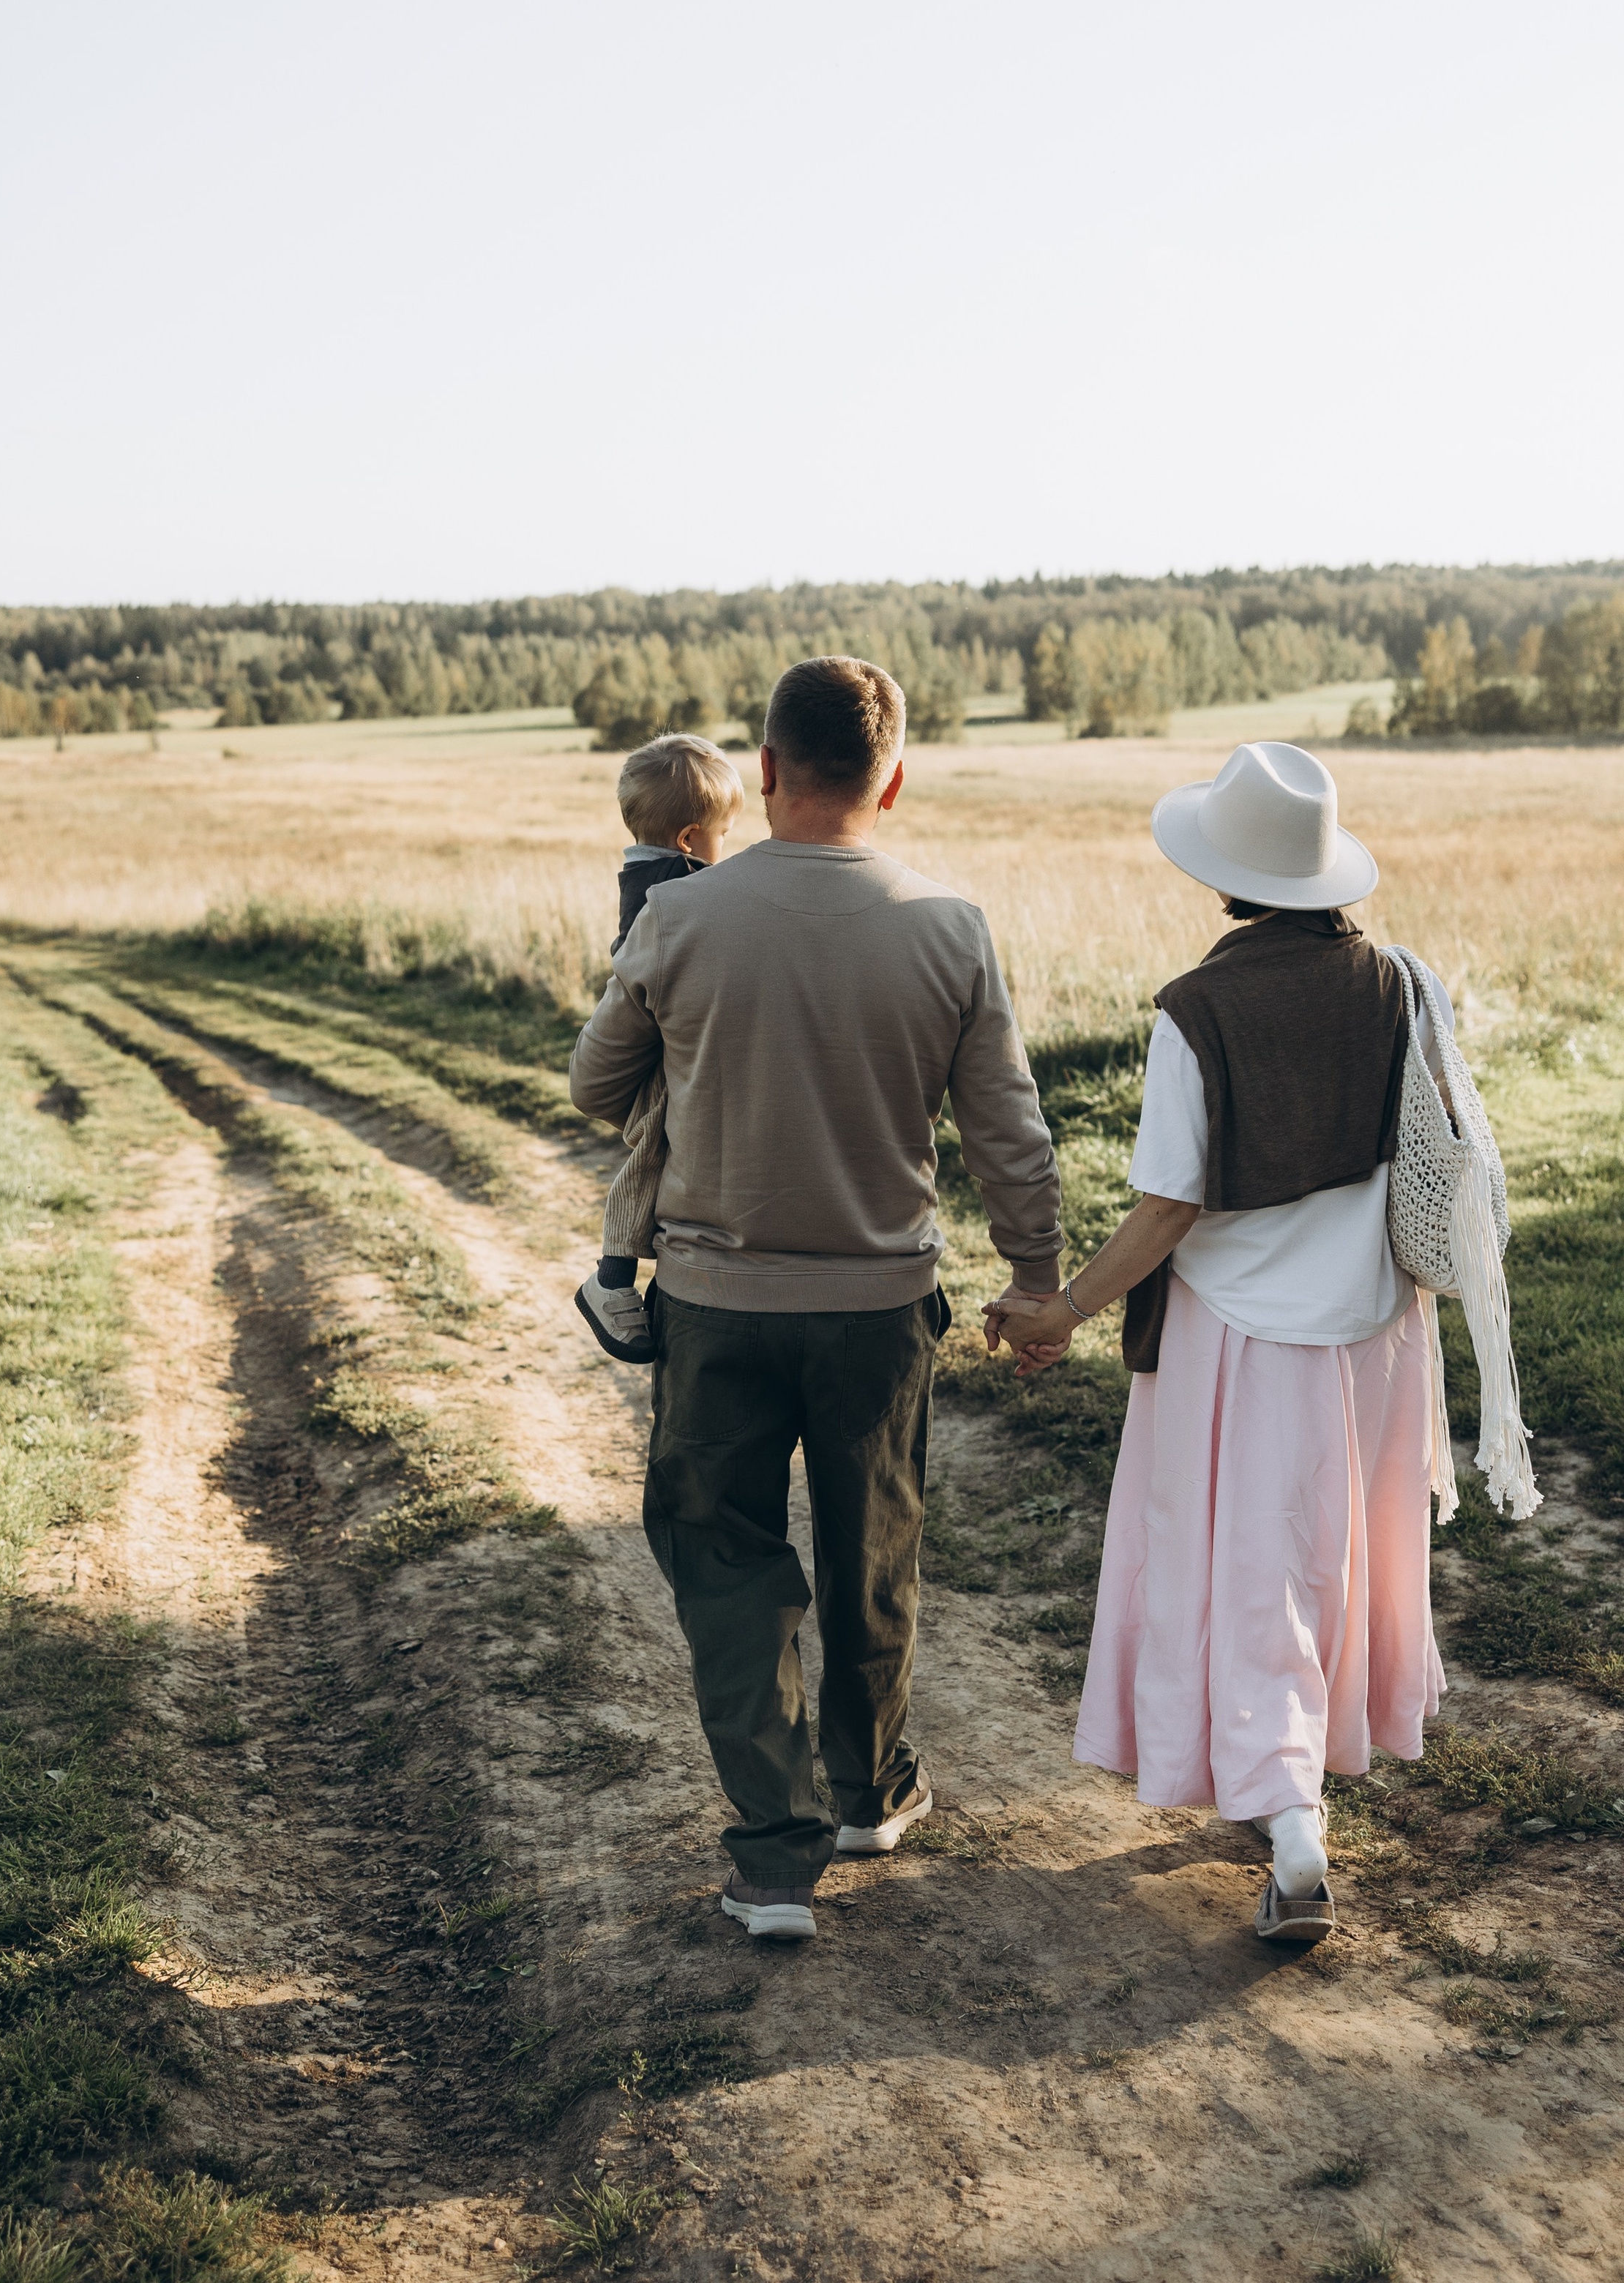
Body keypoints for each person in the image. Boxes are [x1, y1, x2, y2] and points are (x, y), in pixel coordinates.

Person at [569, 657, 1063, 1941]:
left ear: (770, 771)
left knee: (723, 1557)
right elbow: (1009, 1131)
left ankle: (774, 1858)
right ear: (892, 778)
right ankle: (871, 1793)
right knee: (872, 1547)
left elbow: (593, 1087)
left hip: (717, 1306)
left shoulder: (679, 922)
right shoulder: (951, 926)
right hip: (880, 1307)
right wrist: (1037, 1275)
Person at [989, 741, 1457, 1947]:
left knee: (1253, 1574)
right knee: (1327, 1561)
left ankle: (1290, 1826)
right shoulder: (1403, 982)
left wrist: (1061, 1311)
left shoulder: (1198, 1010)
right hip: (1379, 1336)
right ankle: (1291, 1785)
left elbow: (1166, 1207)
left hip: (1241, 1338)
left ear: (1226, 877)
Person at [573, 732, 746, 1364]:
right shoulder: (679, 885)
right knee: (651, 1148)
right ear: (689, 839)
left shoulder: (661, 874)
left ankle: (618, 1274)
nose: (729, 852)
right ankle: (611, 1279)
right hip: (662, 1041)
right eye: (724, 837)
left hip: (666, 1030)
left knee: (657, 1144)